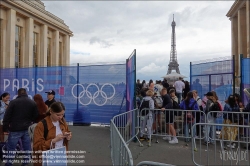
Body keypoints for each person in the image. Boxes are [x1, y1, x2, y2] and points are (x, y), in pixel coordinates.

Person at [3, 88, 38, 166]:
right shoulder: (32, 102)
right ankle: (25, 163)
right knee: (27, 147)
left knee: (11, 148)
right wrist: (30, 121)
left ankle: (9, 163)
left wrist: (5, 127)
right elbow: (36, 115)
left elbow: (7, 116)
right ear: (26, 93)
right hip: (27, 128)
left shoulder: (13, 102)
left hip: (14, 128)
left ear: (18, 94)